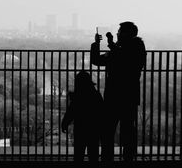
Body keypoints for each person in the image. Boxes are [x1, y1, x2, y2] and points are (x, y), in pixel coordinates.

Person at [91, 22, 146, 161]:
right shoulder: (132, 48)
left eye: (120, 31)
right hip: (128, 96)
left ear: (127, 33)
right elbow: (97, 60)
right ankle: (127, 158)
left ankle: (108, 159)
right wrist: (97, 44)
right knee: (125, 130)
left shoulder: (130, 48)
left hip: (114, 96)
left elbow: (122, 58)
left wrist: (109, 44)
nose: (117, 33)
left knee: (109, 131)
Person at [61, 71, 104, 162]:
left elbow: (71, 112)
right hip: (94, 128)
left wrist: (65, 123)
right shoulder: (96, 95)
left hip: (80, 128)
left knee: (78, 154)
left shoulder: (77, 96)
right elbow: (102, 112)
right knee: (93, 154)